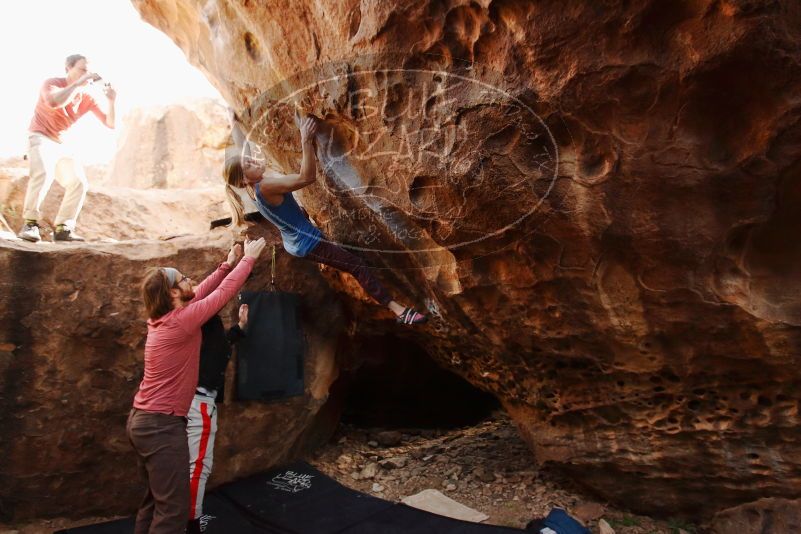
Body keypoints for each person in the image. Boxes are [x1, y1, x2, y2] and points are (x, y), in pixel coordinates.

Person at [223, 114, 427, 325]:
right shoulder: (264, 187)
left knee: (353, 260)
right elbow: (306, 177)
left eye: (250, 159)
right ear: (245, 177)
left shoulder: (248, 187)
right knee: (356, 266)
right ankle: (398, 310)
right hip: (309, 243)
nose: (254, 160)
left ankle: (394, 305)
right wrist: (305, 140)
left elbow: (243, 149)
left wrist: (234, 122)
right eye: (249, 164)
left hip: (297, 240)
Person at [127, 237, 266, 534]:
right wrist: (248, 260)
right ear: (174, 292)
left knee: (154, 501)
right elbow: (222, 295)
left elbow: (203, 291)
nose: (191, 280)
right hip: (160, 426)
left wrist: (226, 265)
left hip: (145, 421)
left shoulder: (169, 315)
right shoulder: (182, 322)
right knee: (174, 511)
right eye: (184, 279)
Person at [18, 53, 117, 243]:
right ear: (67, 69)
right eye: (82, 70)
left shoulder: (86, 98)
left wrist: (112, 101)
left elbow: (110, 123)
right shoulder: (52, 83)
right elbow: (54, 102)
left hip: (61, 143)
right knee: (43, 173)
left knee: (78, 182)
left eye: (89, 72)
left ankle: (64, 228)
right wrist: (78, 84)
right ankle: (30, 224)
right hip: (39, 136)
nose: (86, 75)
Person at [186, 303, 249, 534]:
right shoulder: (198, 316)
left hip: (189, 401)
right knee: (198, 467)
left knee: (183, 467)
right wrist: (234, 267)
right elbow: (215, 347)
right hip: (198, 403)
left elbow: (217, 344)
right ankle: (191, 525)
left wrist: (239, 327)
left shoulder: (193, 322)